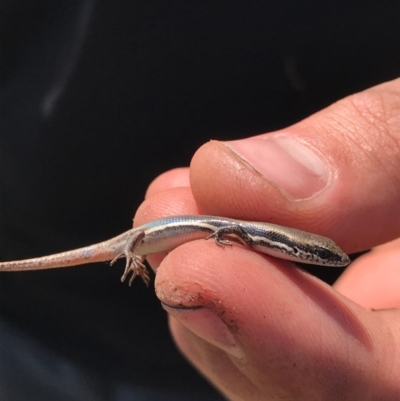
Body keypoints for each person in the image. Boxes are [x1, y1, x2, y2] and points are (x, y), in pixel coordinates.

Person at [135, 78, 400, 400]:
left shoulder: (276, 241)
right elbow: (239, 231)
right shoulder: (268, 236)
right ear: (301, 249)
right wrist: (221, 233)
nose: (329, 260)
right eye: (323, 255)